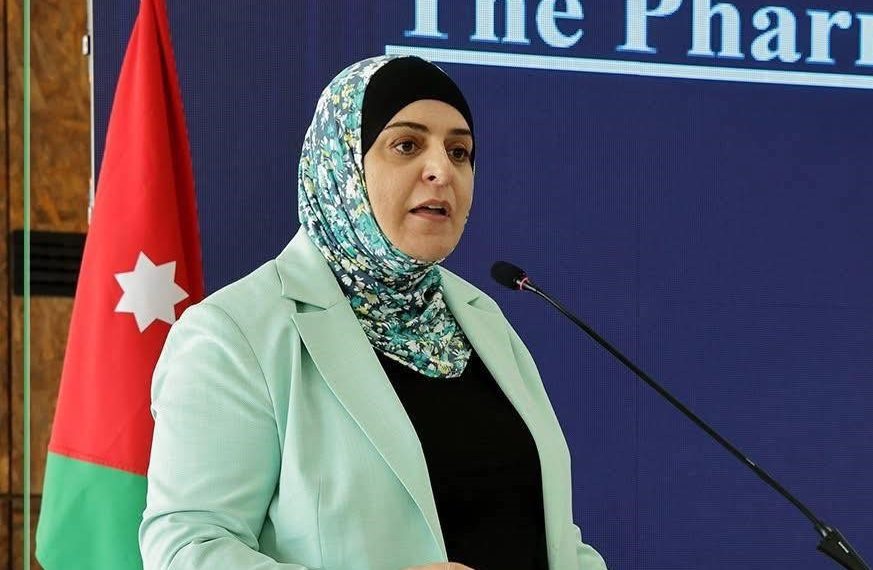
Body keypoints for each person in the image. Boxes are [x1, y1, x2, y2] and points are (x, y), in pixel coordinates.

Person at [139, 54, 608, 570]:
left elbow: (555, 541)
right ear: (340, 162)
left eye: (459, 152)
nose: (442, 171)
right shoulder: (235, 333)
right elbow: (187, 547)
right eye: (407, 145)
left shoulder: (481, 318)